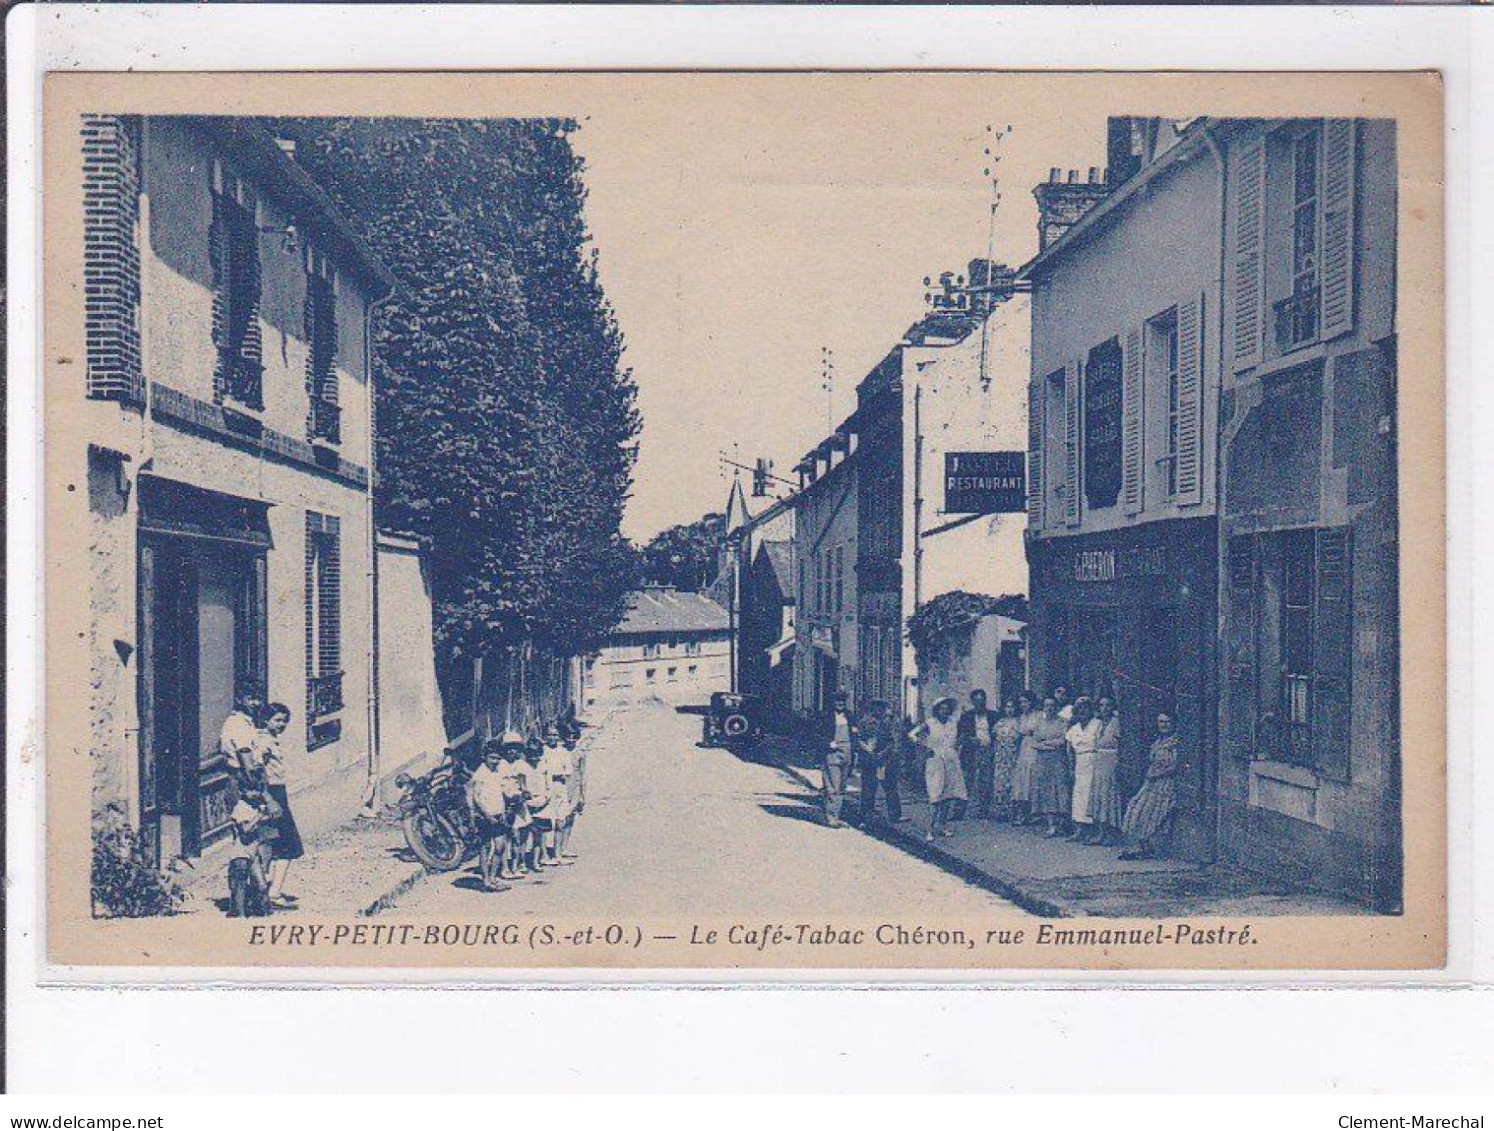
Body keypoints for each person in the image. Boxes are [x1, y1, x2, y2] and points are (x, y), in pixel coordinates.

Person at [254, 702, 304, 908]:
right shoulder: (263, 742)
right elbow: (256, 768)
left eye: (285, 721)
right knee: (288, 844)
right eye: (277, 720)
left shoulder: (269, 739)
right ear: (266, 720)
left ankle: (266, 890)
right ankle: (273, 893)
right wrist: (267, 797)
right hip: (271, 793)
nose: (282, 724)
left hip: (276, 792)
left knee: (273, 843)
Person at [1120, 712, 1183, 860]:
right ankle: (1140, 846)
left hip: (1165, 783)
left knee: (1151, 812)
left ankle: (1146, 846)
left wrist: (1157, 774)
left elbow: (1175, 766)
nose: (1164, 725)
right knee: (1135, 807)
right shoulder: (1157, 742)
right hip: (1151, 783)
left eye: (1167, 722)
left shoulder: (1174, 743)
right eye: (1161, 722)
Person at [910, 696, 965, 842]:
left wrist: (958, 748)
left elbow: (958, 739)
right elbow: (912, 734)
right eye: (942, 708)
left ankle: (942, 826)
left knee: (947, 796)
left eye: (947, 708)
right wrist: (924, 746)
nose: (945, 711)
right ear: (937, 710)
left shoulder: (953, 723)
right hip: (935, 761)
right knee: (935, 796)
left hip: (951, 761)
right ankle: (930, 829)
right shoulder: (930, 723)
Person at [468, 738, 514, 892]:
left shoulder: (497, 772)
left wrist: (505, 810)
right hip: (485, 816)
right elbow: (476, 798)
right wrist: (488, 816)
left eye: (498, 758)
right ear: (485, 757)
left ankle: (493, 877)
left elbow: (501, 793)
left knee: (500, 846)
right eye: (492, 758)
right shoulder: (480, 774)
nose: (495, 761)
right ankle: (486, 880)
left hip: (498, 814)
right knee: (485, 847)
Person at [857, 700, 905, 825]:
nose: (879, 711)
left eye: (882, 708)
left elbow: (891, 741)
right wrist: (869, 751)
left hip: (885, 760)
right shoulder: (864, 722)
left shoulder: (887, 723)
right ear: (872, 709)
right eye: (876, 708)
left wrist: (882, 753)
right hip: (869, 760)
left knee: (890, 787)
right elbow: (859, 740)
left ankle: (895, 815)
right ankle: (866, 816)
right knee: (868, 788)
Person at [1030, 694, 1072, 838]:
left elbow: (1062, 741)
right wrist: (1049, 744)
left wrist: (1046, 743)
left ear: (1057, 707)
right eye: (1047, 705)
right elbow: (1034, 742)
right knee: (1046, 790)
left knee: (1061, 789)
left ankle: (1062, 824)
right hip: (1043, 761)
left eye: (1053, 706)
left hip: (1058, 760)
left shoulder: (1063, 722)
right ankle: (1051, 824)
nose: (1050, 708)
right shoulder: (1039, 723)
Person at [1086, 696, 1125, 845]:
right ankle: (1100, 832)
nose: (1105, 708)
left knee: (1108, 795)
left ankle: (1110, 833)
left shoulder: (1116, 723)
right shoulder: (1098, 724)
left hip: (1111, 760)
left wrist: (1118, 763)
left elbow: (1121, 744)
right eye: (1102, 705)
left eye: (1108, 705)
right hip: (1098, 760)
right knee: (1098, 795)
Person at [956, 689, 1000, 820]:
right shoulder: (966, 716)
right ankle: (959, 811)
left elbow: (1000, 733)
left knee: (985, 781)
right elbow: (960, 736)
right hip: (971, 752)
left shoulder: (994, 716)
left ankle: (983, 811)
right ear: (972, 702)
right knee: (966, 781)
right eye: (976, 701)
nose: (979, 704)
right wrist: (969, 740)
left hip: (987, 751)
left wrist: (993, 744)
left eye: (982, 701)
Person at [1065, 697, 1103, 843]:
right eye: (1080, 709)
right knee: (1079, 795)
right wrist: (1071, 767)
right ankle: (1079, 830)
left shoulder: (1097, 724)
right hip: (1079, 762)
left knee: (1091, 794)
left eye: (1086, 708)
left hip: (1093, 761)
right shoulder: (1074, 728)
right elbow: (1069, 749)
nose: (1083, 712)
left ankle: (1092, 830)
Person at [822, 692, 855, 829]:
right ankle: (831, 817)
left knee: (841, 786)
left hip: (847, 752)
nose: (840, 703)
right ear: (832, 702)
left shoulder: (850, 715)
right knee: (832, 785)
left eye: (842, 701)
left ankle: (837, 815)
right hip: (832, 753)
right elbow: (814, 734)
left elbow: (855, 733)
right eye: (837, 701)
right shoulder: (825, 716)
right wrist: (827, 743)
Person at [1008, 691, 1041, 826]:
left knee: (1032, 778)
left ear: (1031, 702)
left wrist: (1032, 733)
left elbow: (1041, 730)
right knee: (1022, 780)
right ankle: (1023, 813)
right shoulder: (1021, 717)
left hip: (1034, 747)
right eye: (1021, 702)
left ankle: (1036, 813)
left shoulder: (1039, 715)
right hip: (1024, 748)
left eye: (1026, 701)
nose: (1023, 705)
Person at [991, 697, 1023, 822]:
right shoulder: (1000, 722)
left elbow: (1020, 740)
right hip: (1001, 755)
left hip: (1014, 754)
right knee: (1000, 781)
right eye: (1007, 707)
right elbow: (994, 738)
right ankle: (1001, 811)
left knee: (1013, 781)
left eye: (1012, 707)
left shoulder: (1019, 722)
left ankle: (1013, 812)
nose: (1009, 709)